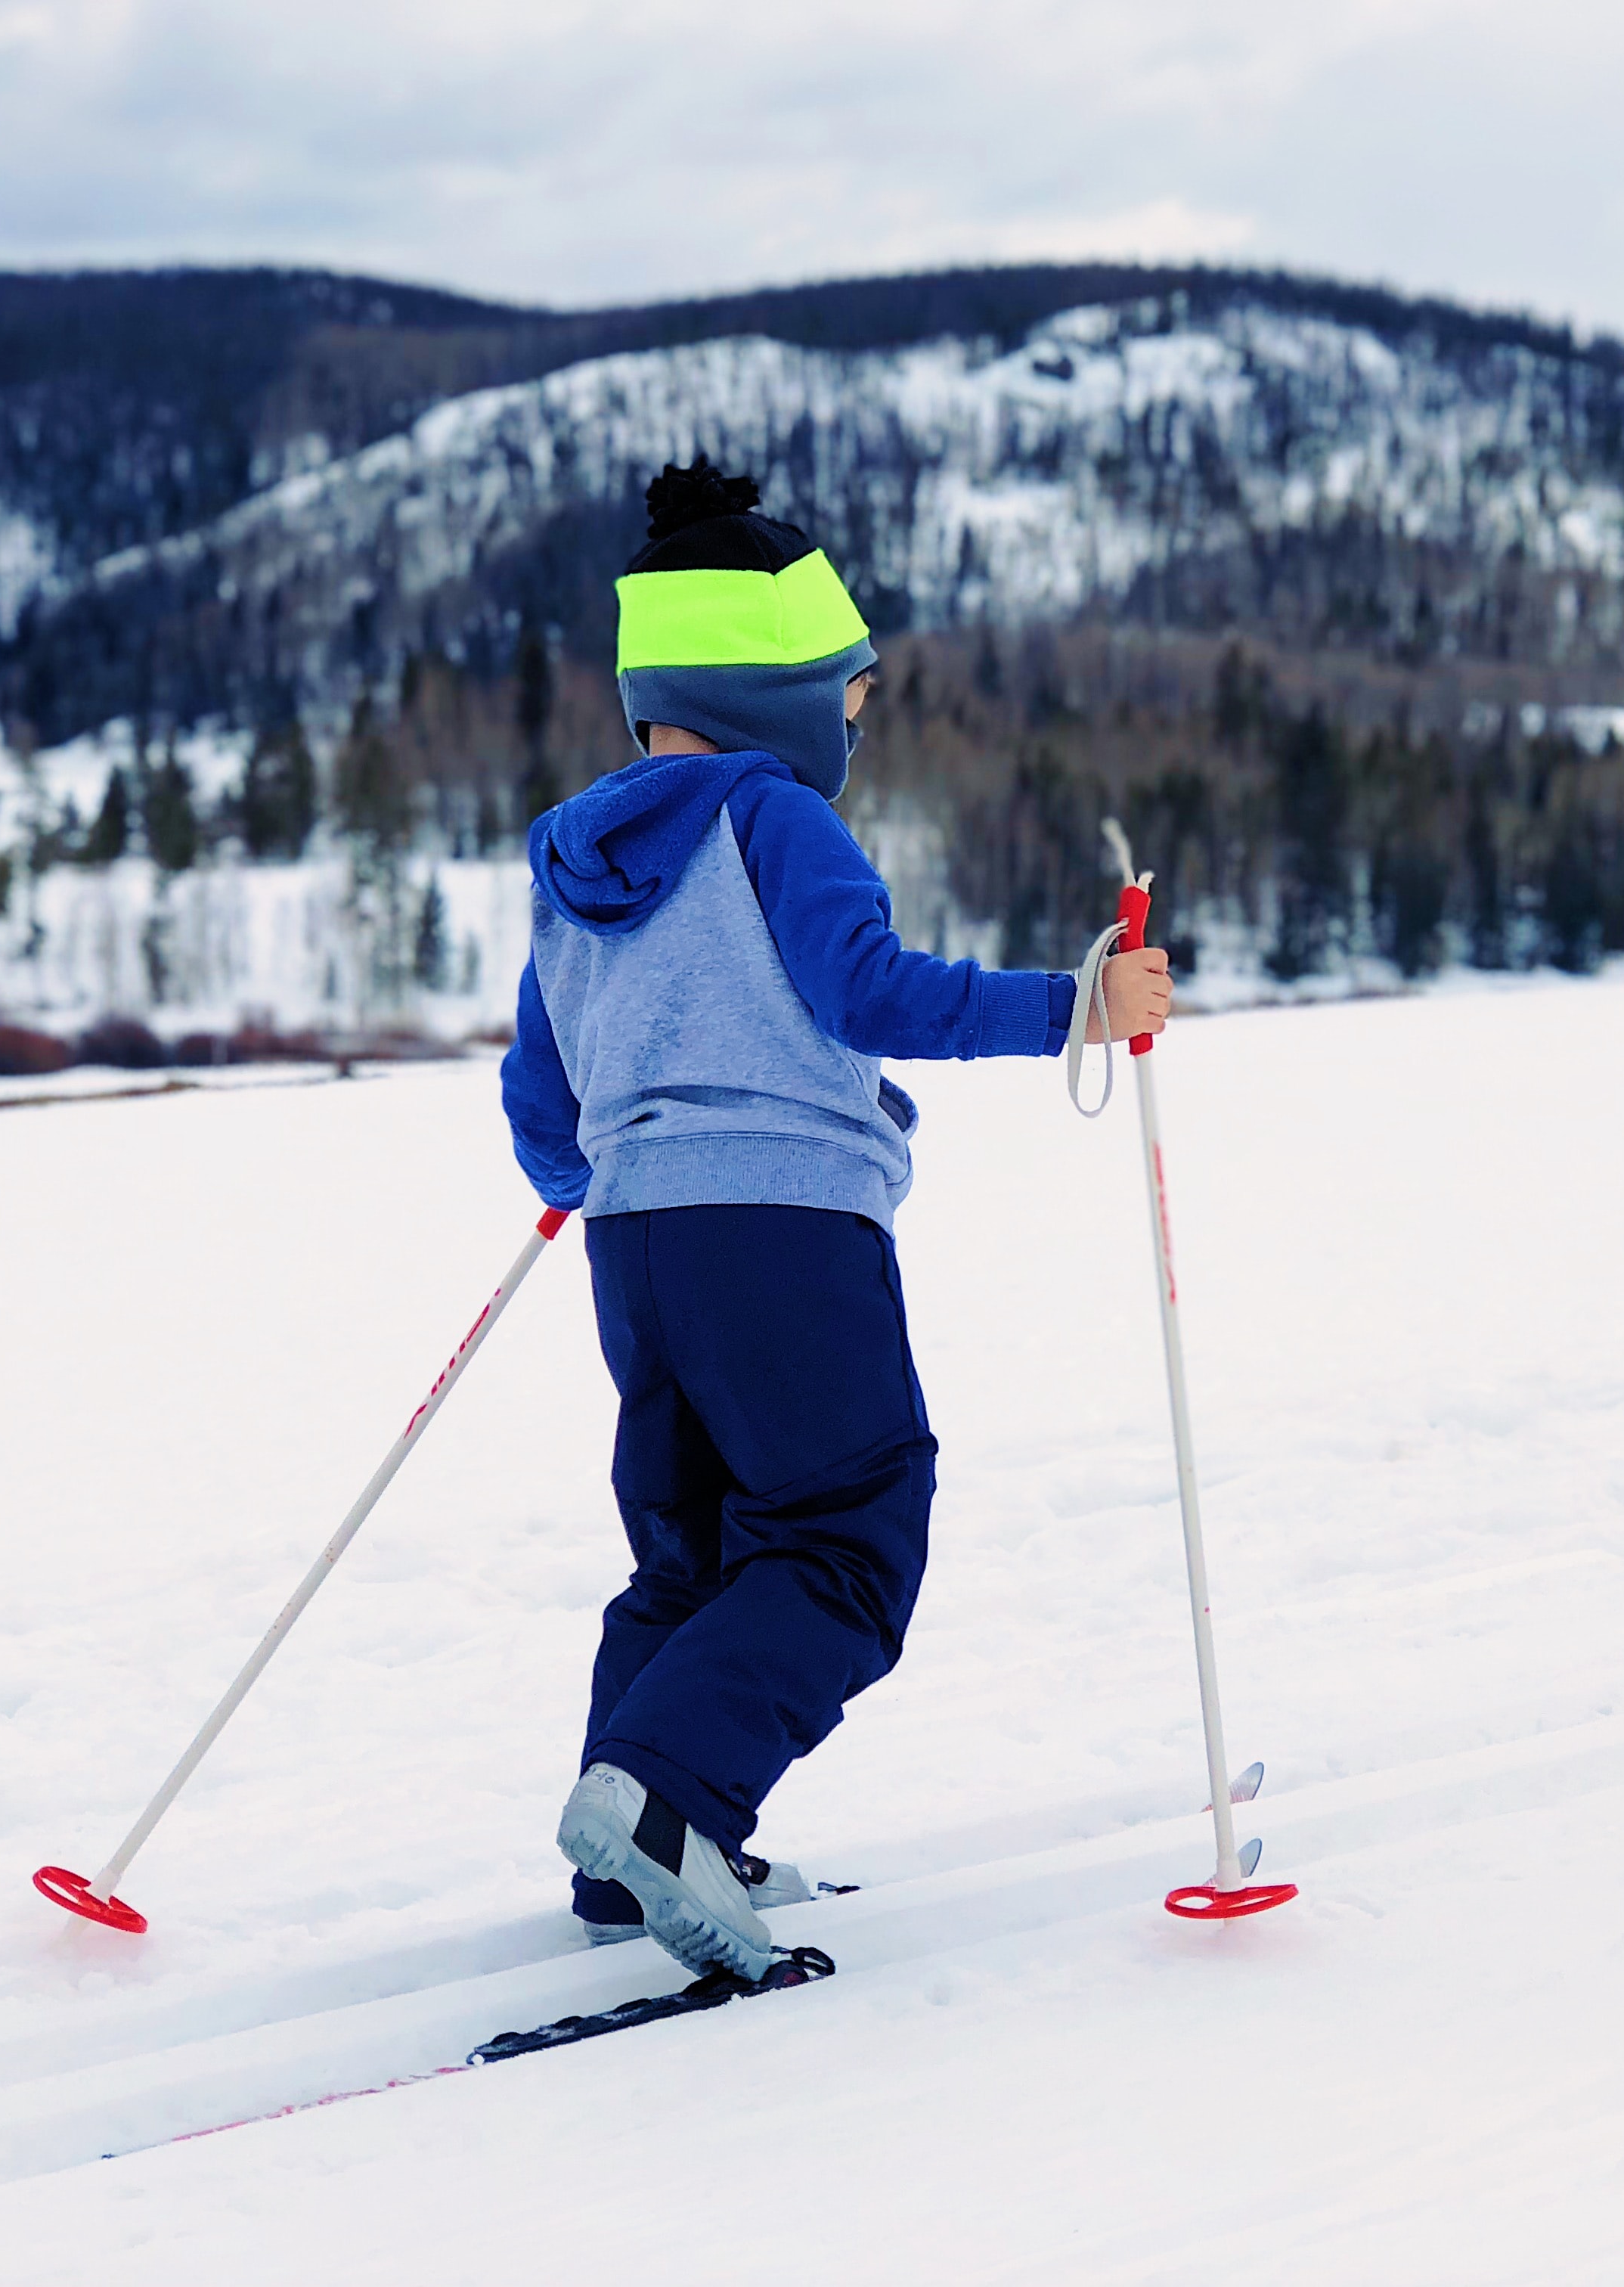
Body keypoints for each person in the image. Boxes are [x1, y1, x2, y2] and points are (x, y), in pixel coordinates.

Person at [498, 456, 1170, 1981]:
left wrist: (572, 1178)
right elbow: (871, 992)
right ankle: (670, 1803)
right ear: (782, 687)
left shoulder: (573, 857)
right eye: (852, 699)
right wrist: (1077, 1006)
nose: (856, 729)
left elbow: (541, 1088)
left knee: (694, 1548)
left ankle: (644, 1853)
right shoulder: (773, 816)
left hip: (636, 1250)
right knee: (846, 1530)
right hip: (785, 1232)